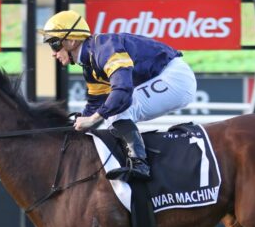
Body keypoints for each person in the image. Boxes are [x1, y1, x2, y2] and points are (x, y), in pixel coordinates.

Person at [41, 10, 197, 181]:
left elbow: (122, 90)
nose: (53, 53)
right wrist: (75, 127)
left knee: (118, 111)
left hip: (175, 77)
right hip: (166, 76)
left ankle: (140, 165)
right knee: (112, 113)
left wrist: (93, 119)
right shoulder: (89, 65)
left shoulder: (104, 48)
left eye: (54, 44)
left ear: (71, 41)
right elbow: (96, 103)